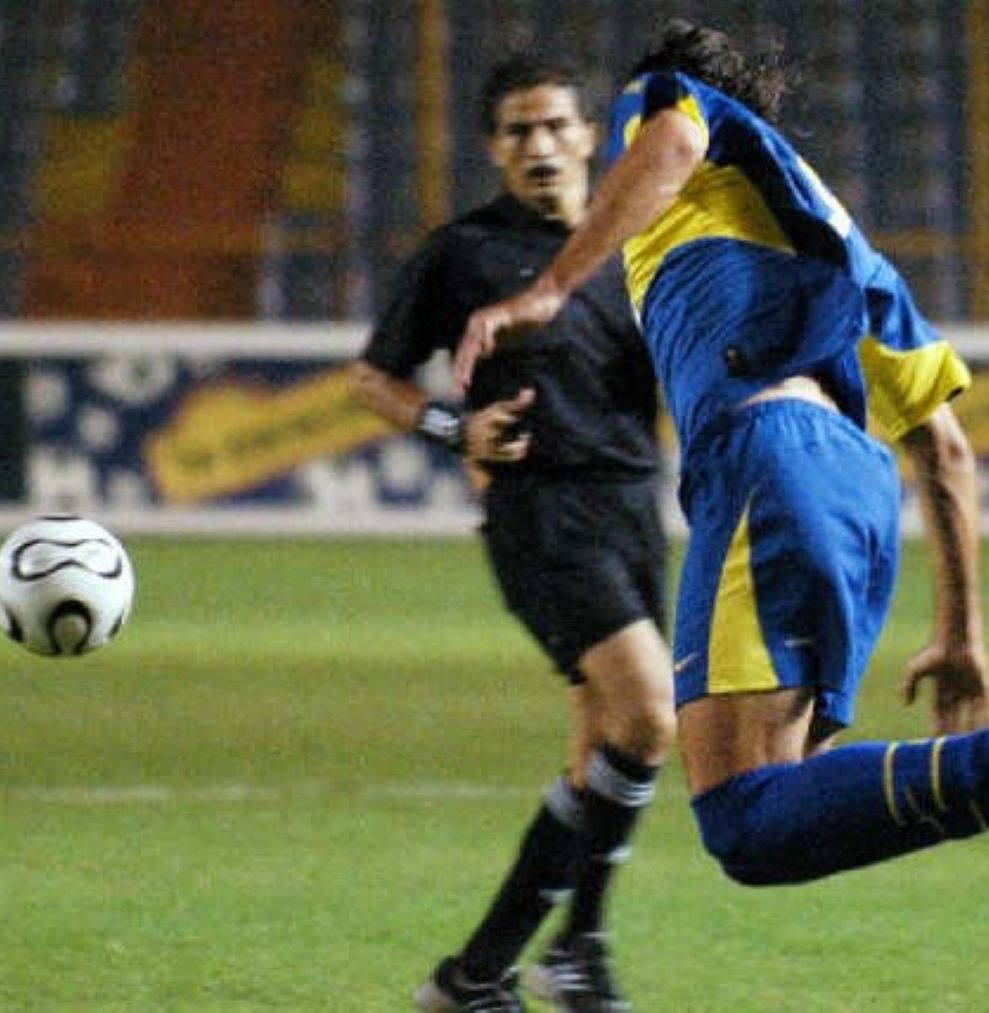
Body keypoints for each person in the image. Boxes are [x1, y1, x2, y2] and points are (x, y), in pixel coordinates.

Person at [453, 21, 989, 1006]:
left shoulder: (675, 104)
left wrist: (550, 289)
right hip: (859, 495)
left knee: (737, 813)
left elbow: (670, 145)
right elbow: (942, 448)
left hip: (766, 461)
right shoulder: (838, 241)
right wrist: (961, 631)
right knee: (771, 820)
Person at [353, 55, 670, 1013]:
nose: (538, 147)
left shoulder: (634, 247)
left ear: (588, 137)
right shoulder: (463, 254)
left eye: (554, 127)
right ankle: (563, 953)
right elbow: (375, 378)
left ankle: (483, 973)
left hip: (633, 508)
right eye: (517, 131)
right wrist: (455, 427)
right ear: (494, 148)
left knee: (608, 749)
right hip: (540, 512)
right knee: (652, 712)